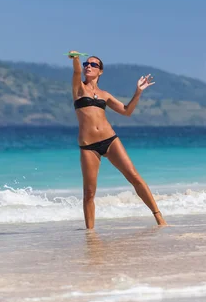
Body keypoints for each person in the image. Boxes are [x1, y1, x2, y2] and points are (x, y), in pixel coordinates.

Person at [68, 51, 167, 228]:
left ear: (101, 72)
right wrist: (76, 58)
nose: (88, 66)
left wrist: (138, 92)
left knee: (134, 176)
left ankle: (159, 218)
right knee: (89, 192)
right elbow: (76, 72)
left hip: (110, 140)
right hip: (88, 146)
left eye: (93, 65)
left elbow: (127, 111)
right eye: (86, 64)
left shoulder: (105, 94)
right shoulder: (78, 89)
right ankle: (90, 233)